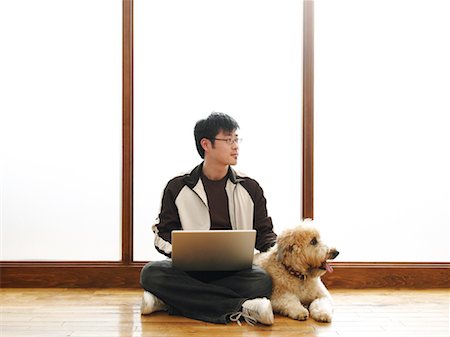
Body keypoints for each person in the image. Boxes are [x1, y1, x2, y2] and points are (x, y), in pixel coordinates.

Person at [140, 112, 277, 325]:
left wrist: (276, 252)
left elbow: (264, 233)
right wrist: (182, 251)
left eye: (236, 139)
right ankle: (241, 307)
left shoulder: (250, 187)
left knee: (263, 281)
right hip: (189, 271)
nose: (236, 146)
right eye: (229, 140)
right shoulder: (178, 187)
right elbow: (163, 234)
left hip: (236, 272)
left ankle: (169, 302)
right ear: (206, 144)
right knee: (151, 273)